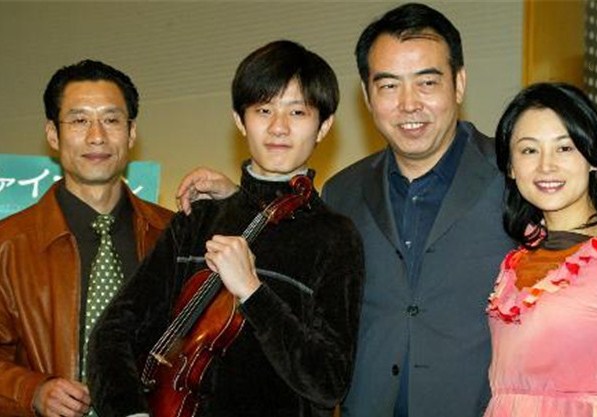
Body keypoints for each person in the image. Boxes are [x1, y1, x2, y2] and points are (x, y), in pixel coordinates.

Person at [176, 4, 515, 417]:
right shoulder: (343, 192)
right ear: (367, 96)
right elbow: (291, 256)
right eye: (388, 85)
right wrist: (238, 199)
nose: (409, 104)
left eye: (427, 82)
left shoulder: (513, 177)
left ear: (458, 84)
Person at [86, 40, 364, 417]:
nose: (278, 127)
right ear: (239, 120)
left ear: (323, 126)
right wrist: (129, 410)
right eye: (263, 110)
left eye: (298, 112)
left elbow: (329, 381)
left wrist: (252, 291)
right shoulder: (198, 218)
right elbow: (113, 331)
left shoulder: (335, 236)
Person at [0, 60, 173, 417]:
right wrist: (33, 392)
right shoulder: (8, 244)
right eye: (79, 120)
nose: (97, 136)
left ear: (131, 133)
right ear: (53, 134)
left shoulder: (174, 235)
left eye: (111, 120)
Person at [484, 82, 597, 416]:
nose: (546, 166)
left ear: (592, 157)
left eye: (564, 148)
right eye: (529, 150)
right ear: (511, 167)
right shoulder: (515, 259)